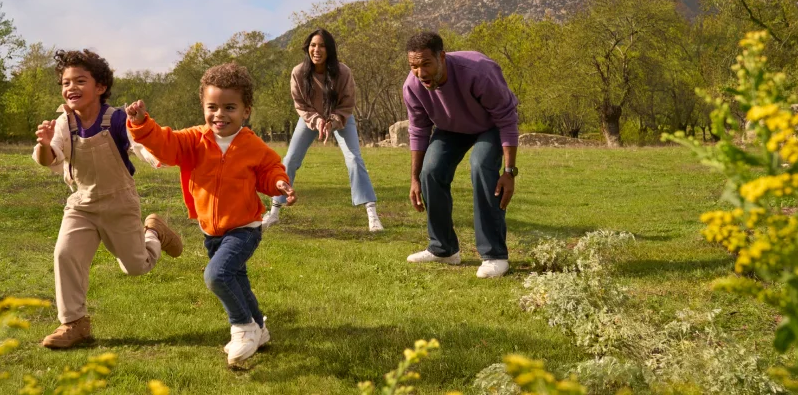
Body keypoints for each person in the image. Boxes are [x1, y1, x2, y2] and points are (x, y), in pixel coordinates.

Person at [126, 62, 296, 365]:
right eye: (212, 107)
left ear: (246, 111)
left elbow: (269, 171)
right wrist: (142, 124)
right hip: (211, 231)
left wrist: (279, 183)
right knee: (237, 278)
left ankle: (242, 328)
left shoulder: (253, 146)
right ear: (203, 107)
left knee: (217, 275)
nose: (220, 114)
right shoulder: (194, 139)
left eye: (230, 107)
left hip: (244, 228)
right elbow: (165, 144)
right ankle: (259, 329)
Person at [32, 49, 183, 348]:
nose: (71, 87)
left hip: (119, 203)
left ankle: (154, 233)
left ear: (100, 87)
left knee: (135, 267)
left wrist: (143, 126)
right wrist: (45, 144)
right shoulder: (64, 123)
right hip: (82, 204)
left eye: (80, 81)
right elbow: (50, 159)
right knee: (65, 254)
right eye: (66, 82)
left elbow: (142, 147)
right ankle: (74, 323)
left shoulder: (116, 119)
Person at [400, 32, 521, 279]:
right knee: (430, 171)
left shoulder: (478, 71)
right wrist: (415, 178)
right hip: (450, 128)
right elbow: (419, 131)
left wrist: (509, 172)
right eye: (413, 66)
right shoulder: (413, 87)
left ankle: (495, 255)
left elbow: (506, 118)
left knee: (481, 165)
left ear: (442, 57)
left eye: (426, 64)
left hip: (490, 126)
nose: (420, 73)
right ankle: (443, 249)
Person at [262, 28, 382, 232]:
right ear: (307, 48)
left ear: (330, 49)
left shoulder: (343, 72)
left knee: (354, 159)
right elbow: (300, 104)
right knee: (290, 159)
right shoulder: (298, 72)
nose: (316, 50)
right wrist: (317, 120)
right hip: (310, 118)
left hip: (340, 118)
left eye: (322, 46)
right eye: (313, 45)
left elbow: (347, 103)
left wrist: (332, 121)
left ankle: (372, 214)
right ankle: (274, 212)